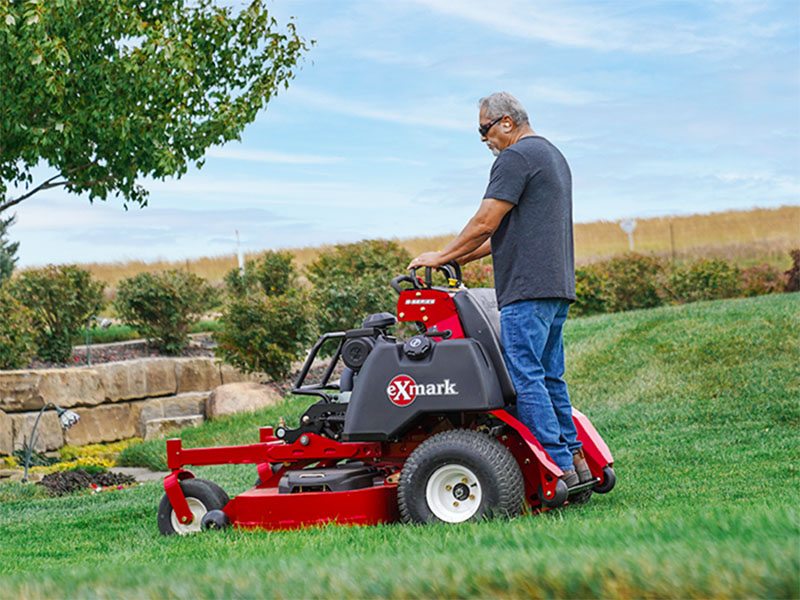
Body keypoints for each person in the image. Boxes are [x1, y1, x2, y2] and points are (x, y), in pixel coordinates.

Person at [408, 91, 591, 491]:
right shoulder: (552, 157)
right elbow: (505, 235)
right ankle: (576, 460)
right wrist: (460, 260)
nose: (484, 141)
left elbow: (485, 223)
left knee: (525, 378)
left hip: (525, 289)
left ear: (506, 122)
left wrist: (439, 256)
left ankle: (555, 468)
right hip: (555, 287)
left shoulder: (515, 158)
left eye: (484, 130)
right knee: (549, 377)